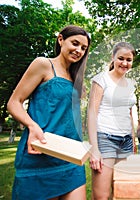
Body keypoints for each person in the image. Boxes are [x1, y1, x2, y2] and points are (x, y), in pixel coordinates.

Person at [7, 25, 91, 200]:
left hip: (71, 155)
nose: (79, 50)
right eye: (75, 43)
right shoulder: (43, 64)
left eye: (83, 48)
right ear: (61, 39)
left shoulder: (76, 77)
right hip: (41, 152)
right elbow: (14, 103)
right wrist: (31, 125)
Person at [87, 42, 136, 199]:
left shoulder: (130, 84)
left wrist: (133, 141)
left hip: (126, 141)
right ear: (113, 57)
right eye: (121, 58)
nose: (124, 63)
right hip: (105, 138)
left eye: (128, 60)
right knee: (102, 195)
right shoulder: (101, 79)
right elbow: (92, 113)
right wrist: (94, 149)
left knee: (122, 192)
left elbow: (129, 114)